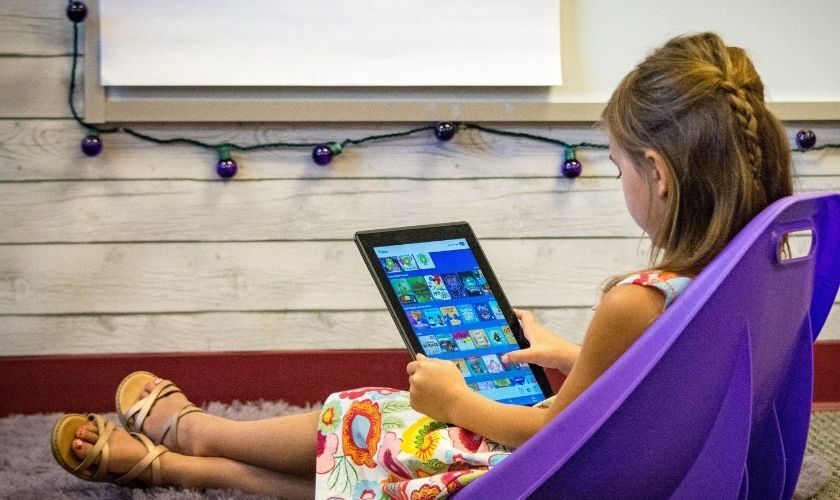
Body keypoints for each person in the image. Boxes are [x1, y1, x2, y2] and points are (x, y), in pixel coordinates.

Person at [51, 32, 793, 499]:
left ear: (659, 174)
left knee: (379, 415)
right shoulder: (747, 266)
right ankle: (180, 466)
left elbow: (554, 441)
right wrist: (573, 356)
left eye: (621, 164)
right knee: (386, 443)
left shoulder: (637, 300)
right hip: (663, 474)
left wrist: (456, 403)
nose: (619, 177)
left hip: (571, 481)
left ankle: (193, 432)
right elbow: (667, 384)